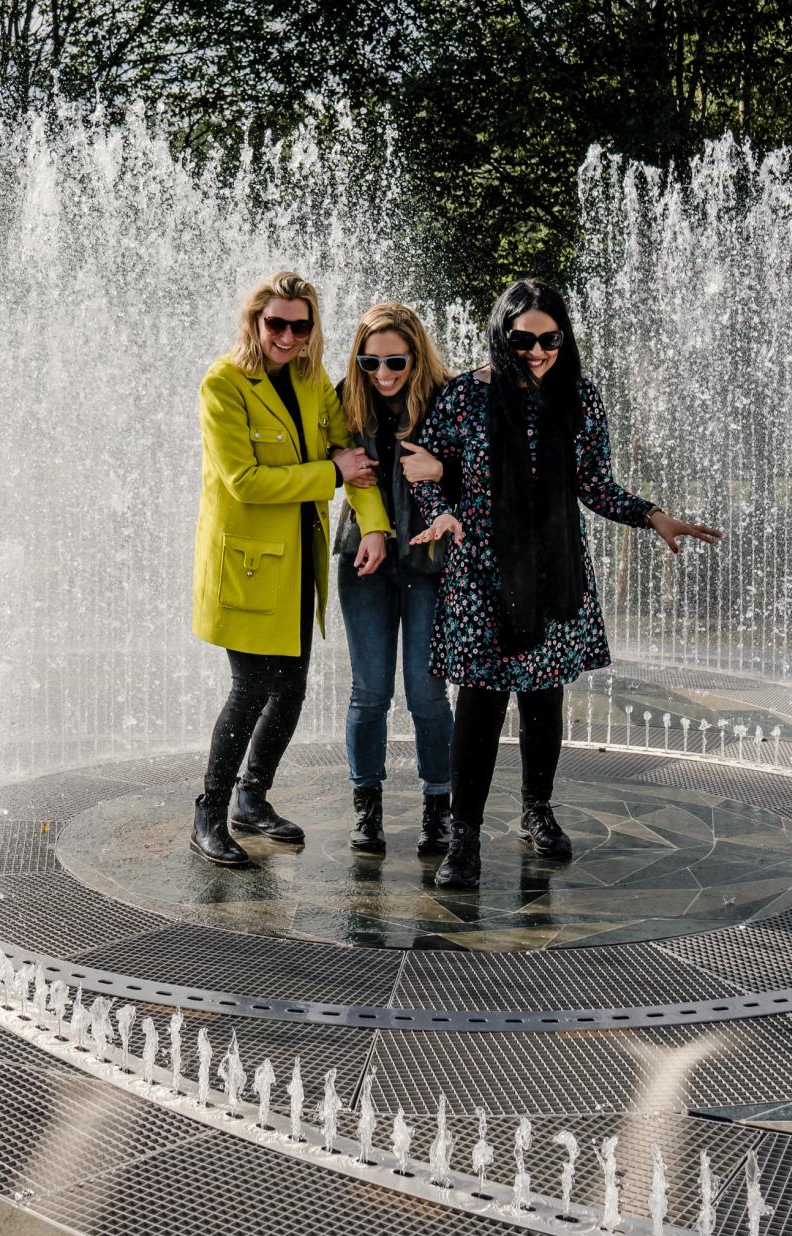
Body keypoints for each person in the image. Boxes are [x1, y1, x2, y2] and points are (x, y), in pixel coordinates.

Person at [410, 279, 721, 889]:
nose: (536, 350)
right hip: (480, 572)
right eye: (522, 338)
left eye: (549, 338)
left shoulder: (578, 396)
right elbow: (425, 465)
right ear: (501, 334)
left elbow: (596, 485)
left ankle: (537, 811)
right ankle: (464, 838)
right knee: (479, 704)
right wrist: (437, 509)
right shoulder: (463, 398)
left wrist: (650, 513)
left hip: (555, 568)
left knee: (543, 697)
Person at [189, 270, 384, 866]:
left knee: (292, 687)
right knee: (251, 688)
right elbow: (244, 482)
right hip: (247, 566)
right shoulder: (224, 383)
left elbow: (352, 452)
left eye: (302, 325)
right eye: (277, 323)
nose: (289, 336)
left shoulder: (310, 378)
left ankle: (253, 798)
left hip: (299, 558)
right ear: (255, 322)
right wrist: (331, 475)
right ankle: (208, 812)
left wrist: (373, 524)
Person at [333, 302, 458, 856]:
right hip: (365, 559)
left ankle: (439, 807)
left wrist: (444, 471)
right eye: (369, 362)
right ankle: (367, 805)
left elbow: (485, 466)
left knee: (427, 692)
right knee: (370, 691)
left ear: (417, 354)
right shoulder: (343, 397)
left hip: (431, 563)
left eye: (394, 362)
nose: (381, 374)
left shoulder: (448, 398)